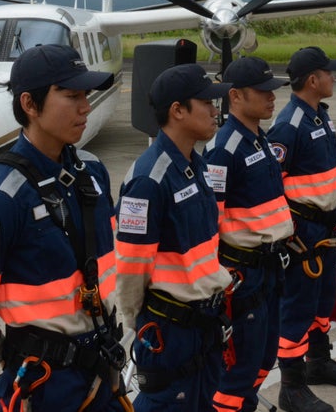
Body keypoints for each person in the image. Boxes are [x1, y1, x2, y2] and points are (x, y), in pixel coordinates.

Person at [0, 44, 130, 411]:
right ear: (30, 104)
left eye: (86, 95)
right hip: (44, 386)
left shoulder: (90, 175)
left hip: (101, 370)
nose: (86, 107)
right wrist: (14, 356)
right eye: (71, 96)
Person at [114, 63, 234, 412]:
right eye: (207, 103)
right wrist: (140, 325)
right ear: (177, 111)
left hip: (204, 324)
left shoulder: (197, 166)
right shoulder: (148, 181)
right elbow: (131, 268)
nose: (216, 111)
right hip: (170, 331)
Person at [267, 47, 336, 412]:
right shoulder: (289, 125)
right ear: (312, 80)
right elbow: (272, 182)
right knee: (297, 307)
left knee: (323, 301)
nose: (333, 78)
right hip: (303, 232)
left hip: (325, 226)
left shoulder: (319, 115)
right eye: (329, 73)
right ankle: (291, 386)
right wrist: (289, 233)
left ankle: (318, 362)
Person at [203, 56, 294, 412]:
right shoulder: (223, 150)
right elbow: (213, 223)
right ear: (236, 96)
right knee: (238, 369)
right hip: (244, 277)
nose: (272, 98)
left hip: (269, 270)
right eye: (263, 92)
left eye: (273, 91)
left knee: (262, 358)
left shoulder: (259, 139)